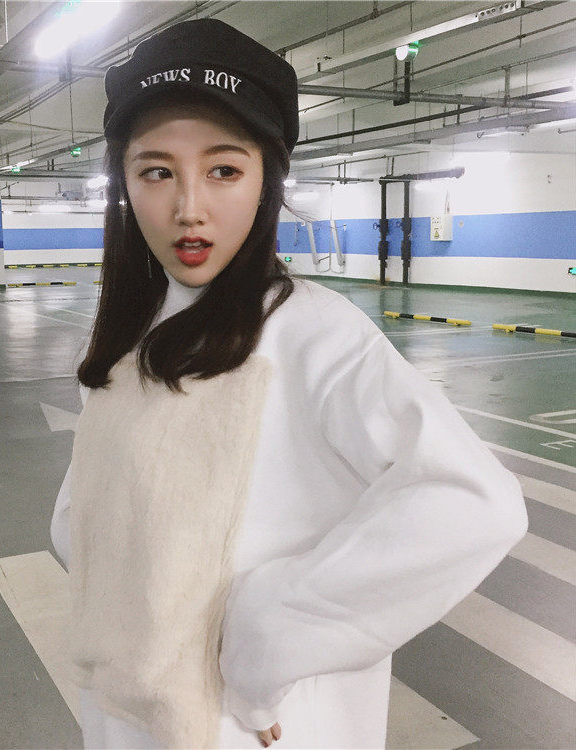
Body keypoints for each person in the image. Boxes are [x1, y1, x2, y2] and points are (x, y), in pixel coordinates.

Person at [50, 17, 529, 750]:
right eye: (156, 171)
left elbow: (473, 502)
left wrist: (268, 633)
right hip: (127, 709)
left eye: (223, 170)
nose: (188, 207)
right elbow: (80, 517)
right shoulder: (126, 341)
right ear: (125, 182)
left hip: (257, 724)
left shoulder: (311, 333)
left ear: (266, 181)